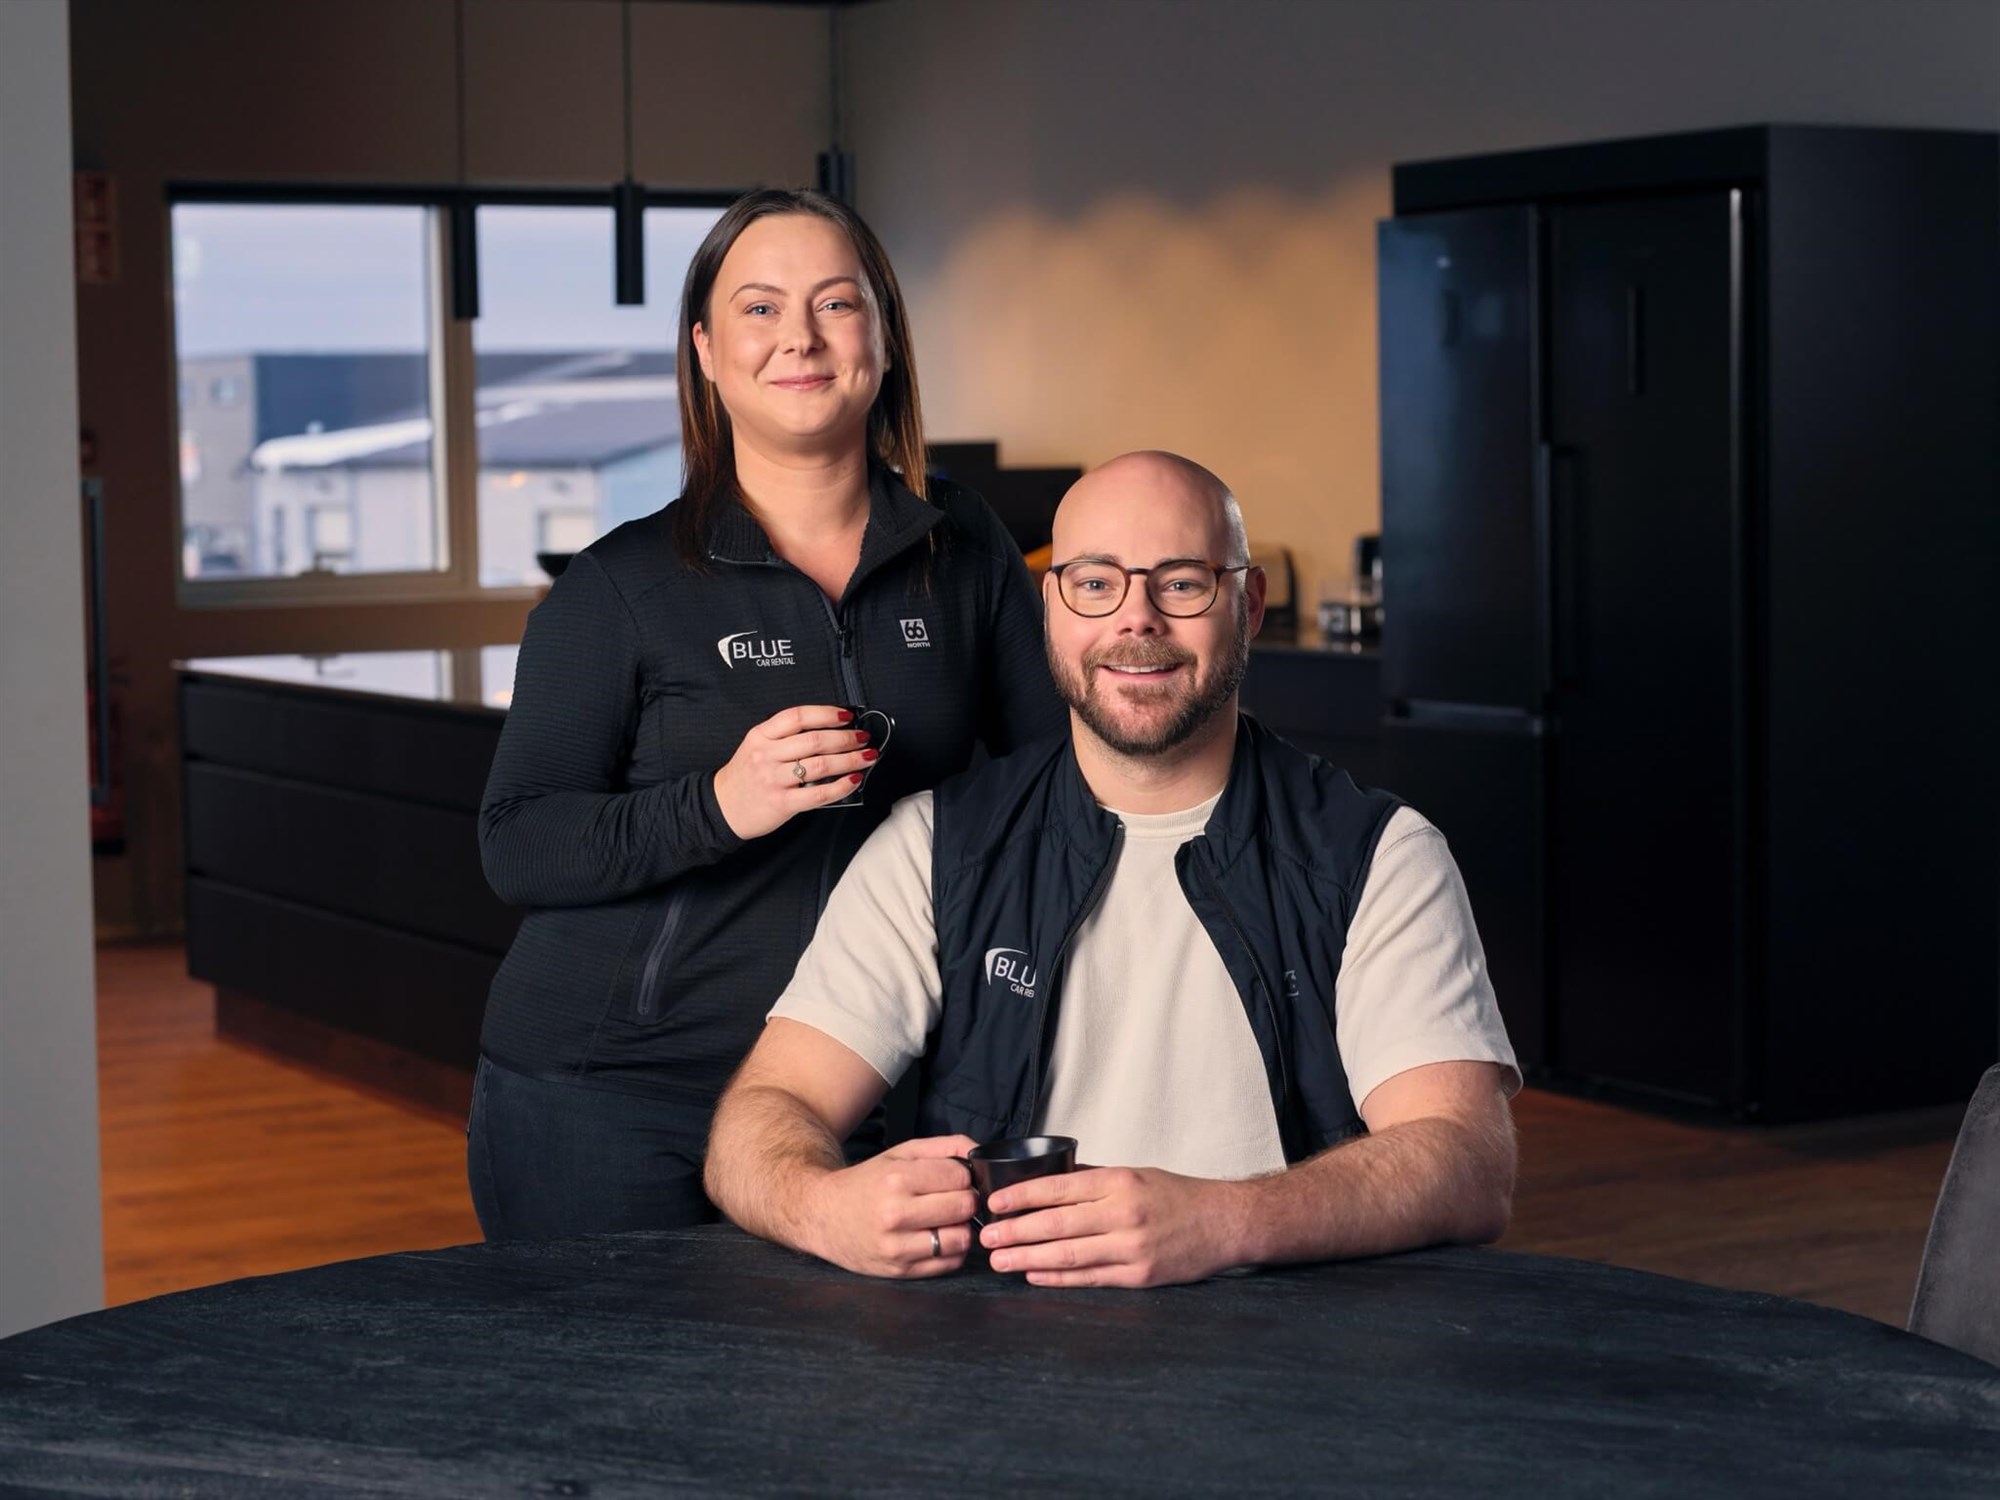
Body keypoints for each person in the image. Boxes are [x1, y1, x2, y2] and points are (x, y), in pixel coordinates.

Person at [705, 450, 1519, 1287]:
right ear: (1051, 606)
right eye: (1095, 583)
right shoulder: (935, 845)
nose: (1136, 621)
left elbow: (1465, 1161)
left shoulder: (1380, 855)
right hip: (1005, 1353)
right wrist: (823, 1206)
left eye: (1181, 582)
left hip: (1294, 1352)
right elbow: (766, 1113)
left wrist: (1223, 1219)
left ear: (1251, 604)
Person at [470, 189, 1065, 1240]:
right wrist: (718, 804)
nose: (798, 336)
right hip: (614, 1097)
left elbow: (1054, 785)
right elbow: (517, 844)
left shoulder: (963, 549)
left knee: (850, 1401)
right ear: (704, 349)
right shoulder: (621, 587)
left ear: (881, 337)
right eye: (758, 308)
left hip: (862, 1088)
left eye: (835, 304)